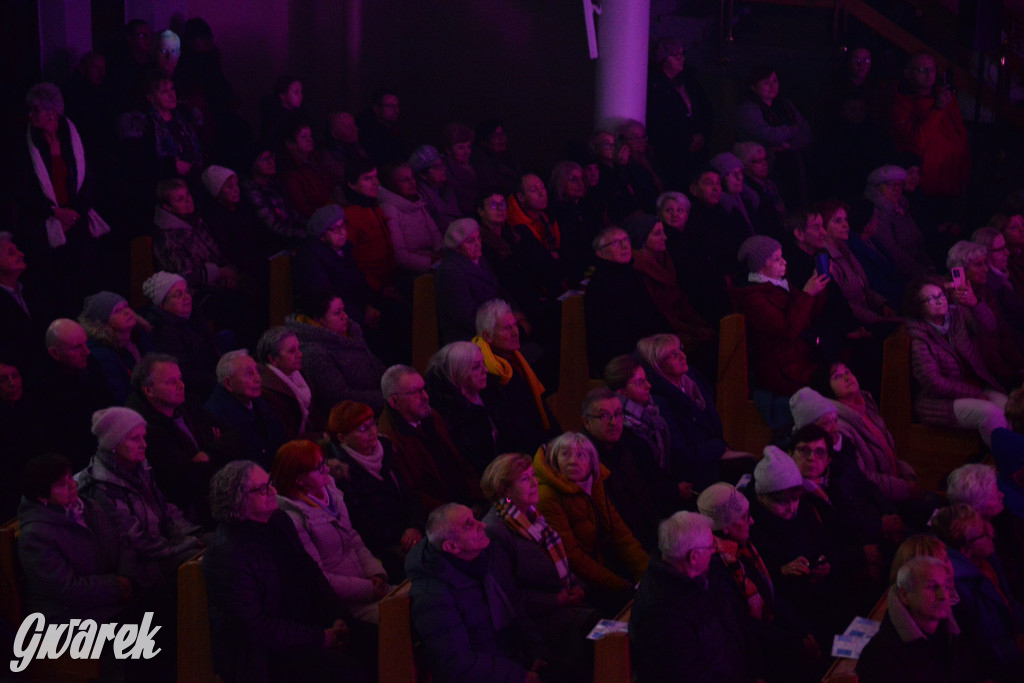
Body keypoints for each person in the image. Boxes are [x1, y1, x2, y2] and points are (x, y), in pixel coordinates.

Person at [202, 460, 368, 683]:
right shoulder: (227, 553)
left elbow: (310, 572)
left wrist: (338, 615)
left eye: (269, 482)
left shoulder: (278, 520)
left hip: (305, 625)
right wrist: (320, 637)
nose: (273, 490)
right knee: (349, 671)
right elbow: (255, 628)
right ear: (237, 500)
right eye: (261, 489)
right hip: (265, 655)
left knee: (378, 641)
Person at [406, 503, 545, 683]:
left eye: (474, 518)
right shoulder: (433, 595)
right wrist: (519, 676)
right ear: (452, 547)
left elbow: (515, 609)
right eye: (469, 524)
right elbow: (458, 665)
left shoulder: (485, 557)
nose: (483, 525)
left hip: (511, 661)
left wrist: (535, 653)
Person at [697, 482, 822, 680]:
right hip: (755, 659)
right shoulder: (716, 571)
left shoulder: (742, 548)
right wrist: (796, 643)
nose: (752, 521)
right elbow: (745, 628)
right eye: (744, 517)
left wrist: (802, 631)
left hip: (773, 639)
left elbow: (769, 592)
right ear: (726, 527)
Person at [629, 511, 760, 683]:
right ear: (694, 557)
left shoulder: (700, 573)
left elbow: (735, 622)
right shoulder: (660, 615)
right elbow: (690, 675)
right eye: (711, 545)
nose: (715, 550)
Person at [77, 407, 202, 584]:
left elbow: (165, 511)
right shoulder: (100, 485)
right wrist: (182, 546)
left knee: (217, 544)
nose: (144, 444)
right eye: (135, 439)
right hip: (138, 564)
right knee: (201, 563)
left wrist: (189, 536)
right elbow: (135, 540)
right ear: (114, 444)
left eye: (143, 437)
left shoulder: (140, 467)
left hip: (163, 547)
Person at [271, 439, 390, 624]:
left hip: (367, 584)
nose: (327, 470)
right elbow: (319, 577)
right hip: (344, 604)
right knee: (399, 619)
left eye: (324, 464)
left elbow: (353, 538)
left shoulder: (331, 492)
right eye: (319, 468)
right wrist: (367, 589)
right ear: (299, 479)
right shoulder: (293, 519)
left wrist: (375, 573)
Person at [17, 453, 141, 623]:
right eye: (61, 484)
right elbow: (66, 590)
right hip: (72, 618)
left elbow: (122, 542)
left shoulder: (89, 507)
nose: (72, 485)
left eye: (69, 477)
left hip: (112, 600)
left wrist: (127, 578)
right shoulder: (35, 536)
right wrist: (117, 586)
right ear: (42, 497)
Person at [533, 432, 649, 612]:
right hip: (579, 582)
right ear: (555, 460)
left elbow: (620, 533)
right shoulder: (548, 496)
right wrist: (621, 585)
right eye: (565, 454)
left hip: (604, 563)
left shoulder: (593, 482)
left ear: (591, 462)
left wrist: (645, 572)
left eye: (581, 455)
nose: (573, 461)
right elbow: (573, 556)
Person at [21, 82, 111, 312]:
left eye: (35, 110)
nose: (30, 115)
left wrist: (75, 212)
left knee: (84, 279)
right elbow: (23, 188)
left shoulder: (75, 136)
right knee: (57, 287)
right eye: (29, 110)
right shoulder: (25, 144)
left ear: (52, 112)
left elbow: (90, 179)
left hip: (77, 220)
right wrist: (55, 212)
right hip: (46, 222)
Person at [635, 333, 752, 492]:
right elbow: (681, 454)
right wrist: (719, 448)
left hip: (712, 455)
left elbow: (713, 427)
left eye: (680, 350)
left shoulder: (692, 381)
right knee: (750, 468)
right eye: (674, 355)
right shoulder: (660, 401)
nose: (683, 356)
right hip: (696, 469)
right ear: (657, 364)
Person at [323, 401, 424, 580]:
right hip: (383, 546)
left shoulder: (385, 452)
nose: (373, 432)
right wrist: (402, 537)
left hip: (410, 532)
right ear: (341, 438)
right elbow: (362, 523)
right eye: (363, 429)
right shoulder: (341, 475)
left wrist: (414, 525)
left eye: (373, 424)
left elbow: (408, 493)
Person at [905, 277, 1008, 446]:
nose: (939, 301)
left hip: (975, 387)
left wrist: (974, 304)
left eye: (941, 295)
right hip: (941, 401)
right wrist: (975, 394)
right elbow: (935, 383)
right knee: (990, 413)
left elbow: (989, 328)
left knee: (1010, 408)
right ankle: (1007, 464)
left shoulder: (956, 315)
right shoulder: (920, 338)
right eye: (930, 298)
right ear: (919, 307)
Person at [124, 353, 222, 524]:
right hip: (186, 511)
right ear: (148, 390)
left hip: (211, 492)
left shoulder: (187, 404)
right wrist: (216, 450)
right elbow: (189, 479)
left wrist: (209, 451)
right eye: (171, 382)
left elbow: (232, 435)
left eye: (180, 379)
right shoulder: (144, 429)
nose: (181, 385)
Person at [931, 504, 1024, 682]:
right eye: (984, 534)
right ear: (965, 548)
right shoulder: (959, 587)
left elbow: (1011, 603)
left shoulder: (988, 559)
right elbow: (984, 644)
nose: (992, 534)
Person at [580, 388, 680, 551]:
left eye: (618, 414)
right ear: (586, 422)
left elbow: (645, 498)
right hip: (617, 549)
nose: (614, 422)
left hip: (648, 537)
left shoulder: (627, 445)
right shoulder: (582, 459)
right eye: (604, 416)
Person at [812, 362, 923, 505]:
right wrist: (903, 488)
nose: (846, 378)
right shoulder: (839, 425)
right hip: (877, 500)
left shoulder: (867, 408)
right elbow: (860, 476)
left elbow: (889, 455)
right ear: (827, 388)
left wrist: (907, 476)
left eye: (847, 372)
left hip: (896, 487)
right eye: (837, 376)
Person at [378, 364, 483, 513]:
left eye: (424, 389)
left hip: (467, 503)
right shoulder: (390, 440)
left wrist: (477, 497)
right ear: (394, 402)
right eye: (416, 392)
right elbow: (414, 495)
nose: (425, 397)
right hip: (442, 515)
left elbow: (459, 460)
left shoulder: (431, 416)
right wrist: (457, 513)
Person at [731, 234, 828, 395]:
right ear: (760, 266)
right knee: (829, 385)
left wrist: (818, 285)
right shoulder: (753, 299)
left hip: (799, 356)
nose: (784, 262)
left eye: (782, 256)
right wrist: (807, 295)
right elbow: (787, 331)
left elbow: (807, 317)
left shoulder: (780, 285)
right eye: (776, 259)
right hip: (780, 367)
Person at [856, 556, 978, 683]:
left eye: (946, 587)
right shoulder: (879, 656)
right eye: (932, 587)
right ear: (904, 595)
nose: (943, 596)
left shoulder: (953, 634)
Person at [625, 213, 715, 362]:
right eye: (657, 234)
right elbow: (660, 314)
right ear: (642, 238)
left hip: (679, 324)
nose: (664, 237)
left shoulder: (666, 261)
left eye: (663, 232)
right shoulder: (638, 273)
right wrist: (696, 332)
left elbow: (679, 299)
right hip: (662, 332)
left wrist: (699, 324)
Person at [473, 299, 558, 454]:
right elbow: (513, 426)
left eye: (514, 325)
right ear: (487, 336)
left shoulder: (516, 360)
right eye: (507, 328)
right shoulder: (488, 374)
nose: (515, 332)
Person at [584, 225, 668, 374]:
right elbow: (614, 333)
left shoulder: (631, 273)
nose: (624, 246)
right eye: (616, 243)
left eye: (626, 240)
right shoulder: (601, 284)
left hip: (645, 344)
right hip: (623, 356)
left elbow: (651, 312)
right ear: (600, 253)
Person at [284, 292, 386, 413]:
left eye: (343, 310)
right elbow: (338, 397)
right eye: (337, 313)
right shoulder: (314, 352)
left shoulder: (351, 334)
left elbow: (375, 365)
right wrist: (386, 399)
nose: (345, 316)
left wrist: (395, 384)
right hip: (352, 415)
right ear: (318, 319)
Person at [33, 318, 114, 469]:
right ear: (55, 353)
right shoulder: (44, 388)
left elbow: (107, 402)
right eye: (77, 347)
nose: (87, 351)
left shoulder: (90, 364)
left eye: (85, 343)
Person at [890, 52, 970, 198]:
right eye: (922, 70)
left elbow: (961, 137)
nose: (929, 75)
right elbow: (917, 142)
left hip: (953, 182)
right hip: (926, 187)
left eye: (932, 69)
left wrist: (964, 178)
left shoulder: (946, 97)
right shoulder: (902, 105)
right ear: (908, 73)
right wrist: (937, 109)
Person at [735, 65, 812, 207]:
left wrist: (790, 145)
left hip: (792, 166)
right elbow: (769, 135)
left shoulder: (786, 105)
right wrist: (793, 129)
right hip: (766, 170)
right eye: (766, 82)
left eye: (775, 81)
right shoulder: (747, 109)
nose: (772, 86)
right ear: (753, 87)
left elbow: (806, 132)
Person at [290, 204, 377, 329]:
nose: (342, 232)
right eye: (335, 229)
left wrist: (369, 305)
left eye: (343, 226)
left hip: (355, 310)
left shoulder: (344, 249)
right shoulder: (310, 259)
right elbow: (325, 300)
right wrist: (361, 318)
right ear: (321, 235)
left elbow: (359, 280)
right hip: (332, 320)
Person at [139, 271, 220, 401]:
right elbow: (185, 373)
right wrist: (219, 381)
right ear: (162, 304)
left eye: (187, 292)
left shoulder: (193, 317)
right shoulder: (162, 331)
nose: (186, 297)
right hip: (195, 393)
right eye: (178, 294)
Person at [646, 36, 713, 190]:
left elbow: (706, 110)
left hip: (696, 153)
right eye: (676, 56)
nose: (681, 59)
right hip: (672, 156)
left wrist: (702, 134)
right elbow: (657, 122)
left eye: (682, 54)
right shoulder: (654, 87)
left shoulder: (689, 81)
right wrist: (684, 142)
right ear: (664, 60)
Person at [819, 200, 899, 327]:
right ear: (823, 228)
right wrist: (877, 320)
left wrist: (882, 304)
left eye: (845, 220)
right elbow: (844, 305)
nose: (845, 225)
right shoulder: (826, 261)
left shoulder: (846, 251)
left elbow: (864, 288)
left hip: (872, 315)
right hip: (856, 325)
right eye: (838, 221)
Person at [203, 350, 288, 468]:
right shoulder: (216, 415)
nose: (258, 379)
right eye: (249, 373)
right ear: (228, 383)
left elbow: (279, 436)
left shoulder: (255, 399)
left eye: (257, 371)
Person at [423, 341, 497, 475]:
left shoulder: (489, 390)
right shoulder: (448, 415)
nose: (485, 370)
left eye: (483, 363)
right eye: (475, 367)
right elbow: (469, 462)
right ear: (458, 373)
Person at [435, 218, 503, 344]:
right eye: (471, 241)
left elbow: (497, 289)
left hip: (492, 325)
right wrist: (501, 324)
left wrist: (512, 312)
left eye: (478, 238)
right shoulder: (450, 273)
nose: (478, 244)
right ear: (457, 247)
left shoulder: (479, 259)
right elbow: (466, 319)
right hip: (470, 338)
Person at [603, 354, 671, 477]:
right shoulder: (621, 426)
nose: (648, 386)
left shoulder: (652, 409)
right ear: (621, 392)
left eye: (646, 379)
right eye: (639, 383)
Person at [77, 291, 151, 404]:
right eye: (117, 311)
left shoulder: (139, 336)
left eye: (126, 306)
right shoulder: (102, 355)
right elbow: (121, 398)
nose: (127, 312)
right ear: (103, 323)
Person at [862, 165, 931, 281]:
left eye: (899, 184)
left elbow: (918, 241)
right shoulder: (877, 213)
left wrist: (929, 265)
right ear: (877, 188)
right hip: (899, 276)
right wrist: (922, 274)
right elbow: (892, 251)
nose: (896, 189)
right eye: (890, 185)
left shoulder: (902, 207)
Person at [255, 326, 324, 439]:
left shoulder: (298, 373)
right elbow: (284, 436)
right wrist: (322, 437)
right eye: (292, 351)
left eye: (298, 348)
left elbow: (314, 414)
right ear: (273, 359)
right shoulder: (266, 391)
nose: (300, 354)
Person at [378, 162, 442, 274]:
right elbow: (400, 255)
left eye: (412, 177)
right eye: (405, 180)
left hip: (433, 259)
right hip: (413, 272)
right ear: (392, 185)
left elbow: (434, 232)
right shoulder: (390, 210)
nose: (412, 182)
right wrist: (429, 262)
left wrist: (441, 251)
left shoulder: (417, 202)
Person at [240, 146, 305, 251]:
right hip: (277, 247)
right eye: (264, 159)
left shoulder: (274, 184)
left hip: (293, 237)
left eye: (271, 157)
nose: (271, 162)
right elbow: (273, 228)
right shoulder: (252, 193)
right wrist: (305, 234)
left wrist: (309, 225)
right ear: (252, 165)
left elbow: (292, 212)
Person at [278, 119, 340, 219]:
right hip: (317, 218)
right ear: (290, 144)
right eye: (303, 137)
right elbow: (302, 207)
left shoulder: (316, 157)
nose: (310, 139)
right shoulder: (291, 171)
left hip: (330, 207)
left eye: (310, 136)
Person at [410, 144, 461, 232]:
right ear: (423, 175)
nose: (443, 169)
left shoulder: (447, 188)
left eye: (442, 164)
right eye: (437, 167)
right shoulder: (421, 199)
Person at [442, 122, 479, 217]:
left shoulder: (476, 164)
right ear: (448, 150)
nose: (467, 152)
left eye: (469, 146)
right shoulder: (446, 172)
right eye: (461, 148)